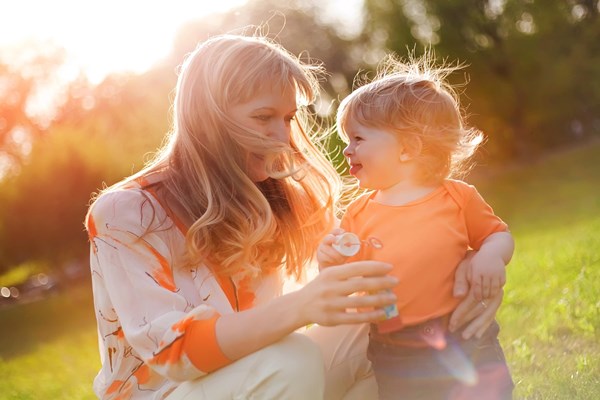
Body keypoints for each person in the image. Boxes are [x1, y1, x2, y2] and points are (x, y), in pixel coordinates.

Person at [85, 34, 504, 400]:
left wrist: (466, 267)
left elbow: (367, 270)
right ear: (208, 118)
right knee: (288, 361)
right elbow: (172, 355)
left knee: (377, 324)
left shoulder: (274, 193)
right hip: (172, 392)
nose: (283, 137)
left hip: (269, 377)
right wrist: (302, 307)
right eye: (263, 117)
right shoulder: (126, 213)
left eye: (287, 118)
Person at [317, 53, 515, 399]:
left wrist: (490, 257)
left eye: (358, 139)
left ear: (408, 148)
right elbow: (349, 282)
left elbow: (498, 235)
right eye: (347, 140)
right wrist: (329, 262)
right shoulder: (358, 214)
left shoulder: (457, 198)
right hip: (396, 347)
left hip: (465, 334)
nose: (347, 151)